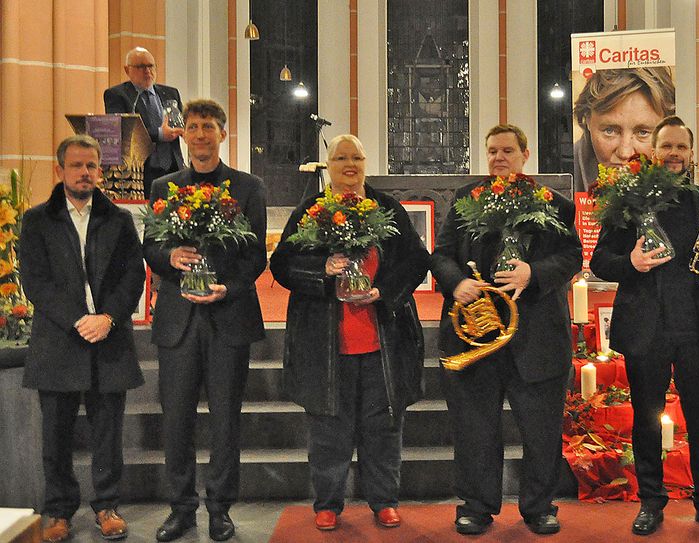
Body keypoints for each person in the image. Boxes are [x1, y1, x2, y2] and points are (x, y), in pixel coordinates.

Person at [270, 134, 429, 532]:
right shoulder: (311, 211)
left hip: (384, 343)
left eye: (356, 156)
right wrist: (321, 271)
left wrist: (383, 291)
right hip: (325, 346)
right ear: (329, 164)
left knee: (383, 428)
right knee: (328, 430)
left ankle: (384, 500)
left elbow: (416, 261)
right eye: (341, 158)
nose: (350, 164)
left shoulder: (387, 209)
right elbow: (282, 266)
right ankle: (327, 503)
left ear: (365, 162)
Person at [590, 115, 699, 537]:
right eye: (667, 147)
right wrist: (632, 263)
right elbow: (601, 260)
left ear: (691, 154)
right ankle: (651, 502)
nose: (674, 154)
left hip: (697, 327)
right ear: (653, 152)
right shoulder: (628, 199)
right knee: (646, 420)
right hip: (648, 329)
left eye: (681, 147)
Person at [431, 124, 582, 535]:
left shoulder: (554, 203)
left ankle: (539, 507)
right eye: (493, 150)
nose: (500, 157)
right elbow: (441, 255)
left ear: (524, 155)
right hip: (476, 338)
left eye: (508, 151)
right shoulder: (466, 199)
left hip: (538, 337)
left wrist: (533, 273)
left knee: (541, 431)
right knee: (475, 429)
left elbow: (572, 257)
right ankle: (476, 506)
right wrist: (456, 282)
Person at [143, 99, 267, 542]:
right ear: (185, 133)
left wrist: (227, 289)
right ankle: (180, 508)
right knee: (175, 420)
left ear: (223, 133)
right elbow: (150, 247)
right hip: (178, 320)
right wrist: (170, 257)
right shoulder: (164, 186)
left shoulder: (248, 187)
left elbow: (256, 256)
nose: (199, 134)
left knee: (225, 420)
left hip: (228, 317)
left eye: (208, 126)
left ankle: (220, 508)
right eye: (193, 126)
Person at [19, 135, 146, 543]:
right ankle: (58, 512)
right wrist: (78, 319)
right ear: (60, 171)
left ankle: (107, 506)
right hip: (59, 338)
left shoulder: (119, 219)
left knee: (108, 433)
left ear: (100, 170)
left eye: (92, 166)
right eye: (76, 166)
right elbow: (35, 280)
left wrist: (108, 317)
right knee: (55, 435)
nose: (85, 173)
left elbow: (134, 275)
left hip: (108, 338)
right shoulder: (38, 220)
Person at [573, 67, 675, 193]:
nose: (625, 153)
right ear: (587, 120)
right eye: (609, 131)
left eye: (642, 133)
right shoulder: (567, 175)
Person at [104, 46, 185, 198]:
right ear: (127, 70)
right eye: (141, 67)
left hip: (173, 167)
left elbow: (180, 122)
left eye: (150, 66)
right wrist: (160, 134)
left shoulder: (170, 93)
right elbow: (123, 129)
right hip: (141, 171)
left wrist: (186, 130)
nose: (147, 71)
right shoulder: (118, 95)